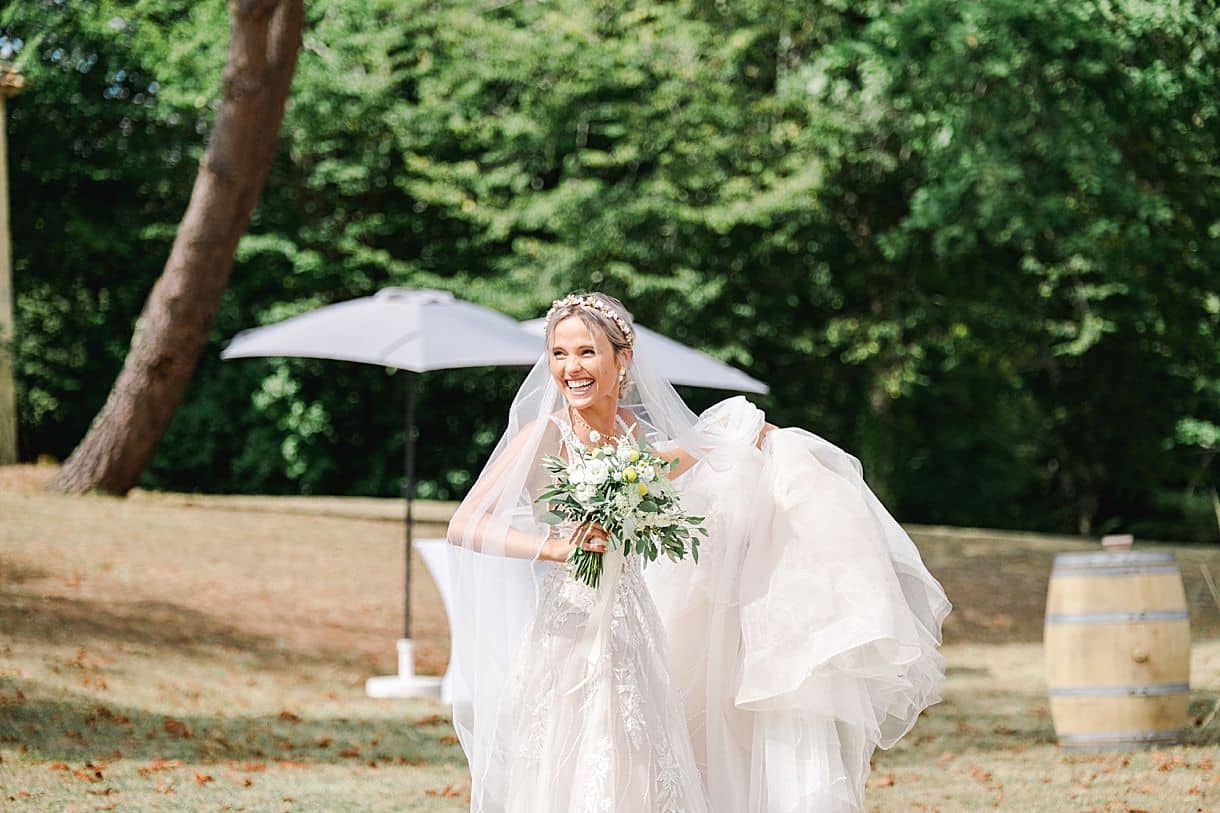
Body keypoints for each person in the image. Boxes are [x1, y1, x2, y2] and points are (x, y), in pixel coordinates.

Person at [445, 292, 950, 813]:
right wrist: (551, 548)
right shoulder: (543, 434)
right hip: (570, 629)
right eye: (558, 353)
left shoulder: (638, 437)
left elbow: (714, 459)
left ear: (622, 360)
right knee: (573, 757)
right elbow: (465, 525)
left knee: (638, 762)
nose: (571, 368)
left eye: (586, 352)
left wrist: (766, 444)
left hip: (634, 628)